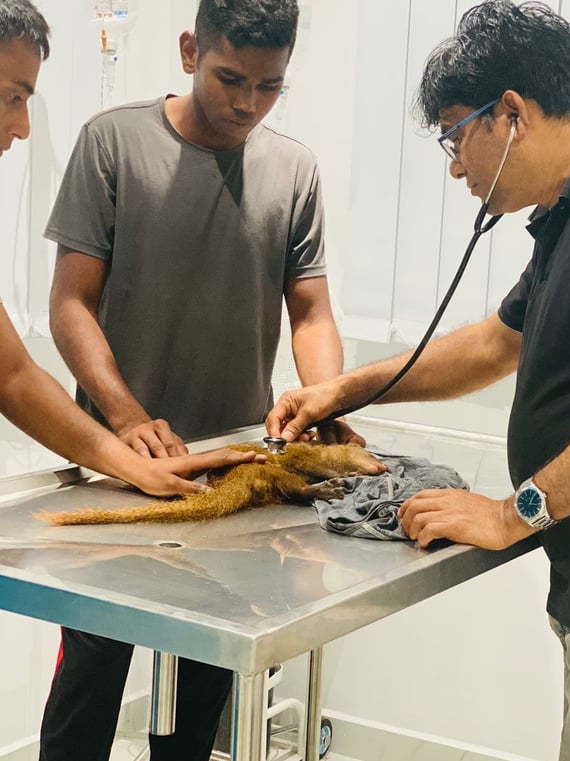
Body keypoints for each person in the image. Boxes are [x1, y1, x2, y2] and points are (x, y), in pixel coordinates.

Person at [266, 1, 570, 759]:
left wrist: (513, 513)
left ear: (510, 114)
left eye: (454, 134)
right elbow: (493, 346)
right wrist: (343, 390)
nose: (455, 164)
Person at [39, 0, 362, 759]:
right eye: (231, 79)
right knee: (88, 683)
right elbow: (70, 305)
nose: (248, 103)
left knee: (200, 698)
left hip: (233, 486)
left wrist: (327, 396)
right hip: (120, 476)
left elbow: (311, 313)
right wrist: (122, 414)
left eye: (270, 86)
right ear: (190, 50)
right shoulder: (112, 144)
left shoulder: (294, 170)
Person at [0, 6, 256, 492]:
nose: (23, 127)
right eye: (13, 97)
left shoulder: (293, 166)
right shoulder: (110, 141)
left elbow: (11, 375)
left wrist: (132, 463)